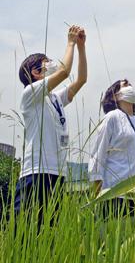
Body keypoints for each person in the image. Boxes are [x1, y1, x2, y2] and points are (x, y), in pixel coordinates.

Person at [14, 25, 87, 219]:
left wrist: (81, 47)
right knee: (28, 235)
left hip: (58, 173)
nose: (52, 65)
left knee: (50, 234)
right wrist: (70, 42)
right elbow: (64, 72)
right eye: (46, 63)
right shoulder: (30, 93)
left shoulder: (54, 98)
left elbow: (81, 80)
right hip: (36, 173)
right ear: (35, 72)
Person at [88, 79, 135, 214]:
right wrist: (97, 193)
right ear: (115, 95)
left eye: (131, 85)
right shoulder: (112, 117)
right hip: (114, 192)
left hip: (134, 191)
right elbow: (98, 155)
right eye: (125, 85)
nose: (130, 87)